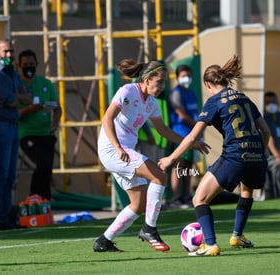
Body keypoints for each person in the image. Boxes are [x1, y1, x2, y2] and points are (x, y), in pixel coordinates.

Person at [159, 54, 270, 256]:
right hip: (256, 155)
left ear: (208, 84)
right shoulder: (244, 98)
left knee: (199, 199)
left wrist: (170, 158)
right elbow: (266, 131)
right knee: (246, 191)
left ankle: (210, 243)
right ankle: (237, 235)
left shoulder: (213, 101)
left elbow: (192, 137)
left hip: (235, 155)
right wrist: (260, 151)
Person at [92, 59, 209, 252]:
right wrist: (118, 148)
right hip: (112, 150)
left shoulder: (152, 102)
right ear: (146, 80)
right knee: (159, 175)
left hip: (125, 152)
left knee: (139, 204)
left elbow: (163, 130)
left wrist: (191, 142)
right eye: (160, 81)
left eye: (164, 82)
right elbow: (107, 119)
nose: (163, 86)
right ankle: (149, 229)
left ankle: (104, 241)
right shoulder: (127, 91)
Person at [0, 38, 32, 231]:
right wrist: (18, 97)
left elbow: (27, 97)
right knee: (1, 175)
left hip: (12, 125)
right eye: (5, 52)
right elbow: (12, 100)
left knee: (10, 175)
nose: (9, 55)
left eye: (11, 52)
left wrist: (18, 97)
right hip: (0, 126)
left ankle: (5, 218)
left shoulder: (12, 73)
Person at [18, 49, 62, 200]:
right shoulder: (17, 86)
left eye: (31, 64)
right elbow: (14, 114)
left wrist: (55, 121)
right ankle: (35, 196)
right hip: (27, 134)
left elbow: (57, 107)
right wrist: (30, 109)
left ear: (36, 64)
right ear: (19, 66)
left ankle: (45, 200)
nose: (28, 67)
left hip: (46, 133)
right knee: (42, 162)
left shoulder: (45, 83)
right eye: (25, 64)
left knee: (47, 166)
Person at [168, 64, 199, 206]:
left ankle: (186, 195)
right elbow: (182, 114)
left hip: (193, 134)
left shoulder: (191, 93)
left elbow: (195, 112)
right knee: (178, 164)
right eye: (183, 76)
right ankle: (176, 198)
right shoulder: (176, 93)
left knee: (188, 165)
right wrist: (197, 127)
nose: (186, 78)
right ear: (177, 77)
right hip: (180, 133)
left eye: (188, 75)